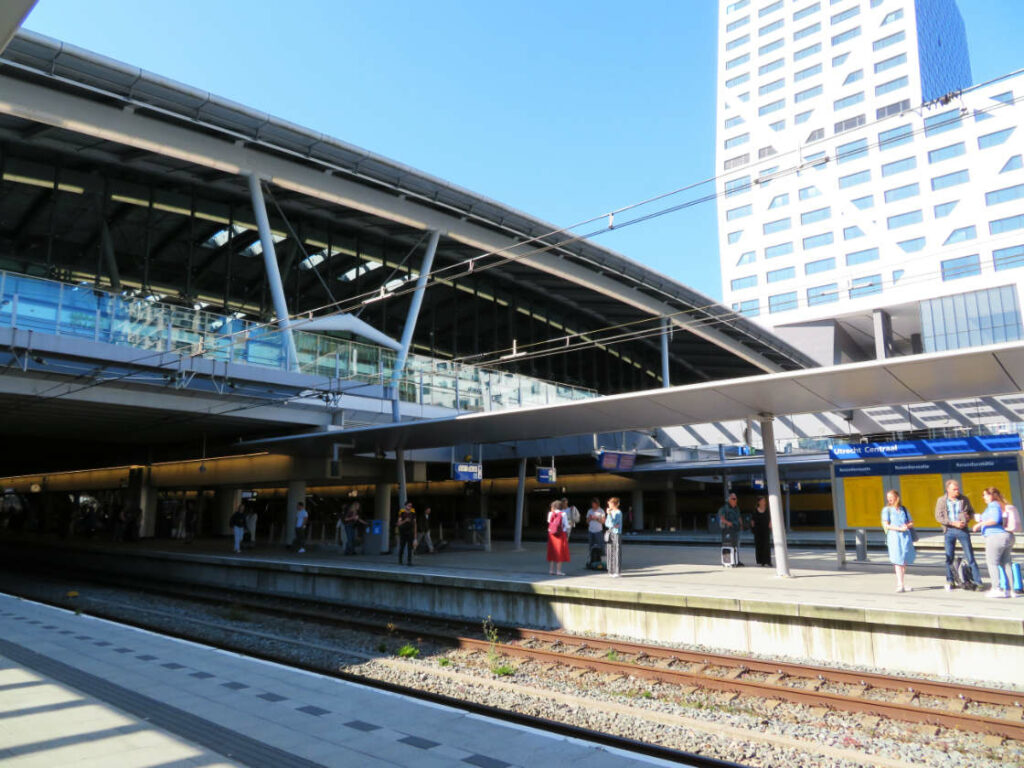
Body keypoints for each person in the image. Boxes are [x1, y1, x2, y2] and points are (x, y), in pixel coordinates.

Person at [934, 479, 982, 590]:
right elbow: (938, 517)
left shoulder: (964, 499)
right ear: (948, 490)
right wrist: (952, 523)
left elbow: (971, 511)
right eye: (954, 489)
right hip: (949, 530)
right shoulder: (941, 500)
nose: (957, 491)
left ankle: (978, 581)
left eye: (957, 489)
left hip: (963, 530)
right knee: (949, 557)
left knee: (970, 556)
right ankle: (950, 580)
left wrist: (968, 518)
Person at [973, 487, 1015, 598]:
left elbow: (995, 519)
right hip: (1006, 536)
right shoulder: (1001, 504)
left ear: (992, 495)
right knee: (1006, 563)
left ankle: (997, 588)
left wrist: (979, 524)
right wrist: (981, 518)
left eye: (985, 495)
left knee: (992, 563)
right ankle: (1011, 590)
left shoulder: (993, 505)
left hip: (995, 537)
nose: (984, 497)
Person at [881, 489, 916, 593]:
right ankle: (900, 584)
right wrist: (899, 528)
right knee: (897, 560)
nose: (889, 500)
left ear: (897, 497)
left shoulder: (903, 509)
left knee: (904, 560)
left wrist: (906, 526)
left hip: (905, 537)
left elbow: (911, 522)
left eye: (891, 497)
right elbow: (886, 525)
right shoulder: (886, 510)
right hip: (894, 537)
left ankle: (902, 583)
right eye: (888, 498)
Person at [718, 492, 745, 566]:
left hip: (737, 529)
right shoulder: (724, 508)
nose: (735, 500)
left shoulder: (737, 508)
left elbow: (739, 517)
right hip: (728, 530)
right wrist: (728, 523)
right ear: (729, 500)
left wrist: (741, 524)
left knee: (737, 545)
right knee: (729, 545)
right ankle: (729, 560)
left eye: (736, 499)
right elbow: (722, 518)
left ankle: (736, 560)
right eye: (734, 499)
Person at [546, 500, 569, 575]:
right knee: (560, 552)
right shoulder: (563, 514)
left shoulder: (550, 513)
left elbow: (549, 522)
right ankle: (558, 571)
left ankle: (551, 570)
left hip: (551, 534)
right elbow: (566, 525)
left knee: (552, 551)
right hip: (560, 535)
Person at [750, 495, 772, 567]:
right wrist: (753, 529)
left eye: (764, 501)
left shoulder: (767, 509)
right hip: (758, 530)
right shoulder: (755, 510)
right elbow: (752, 521)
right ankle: (762, 561)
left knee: (766, 545)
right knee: (760, 545)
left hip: (766, 529)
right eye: (763, 501)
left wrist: (770, 524)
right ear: (759, 502)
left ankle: (768, 561)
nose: (764, 502)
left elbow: (771, 518)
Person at [605, 496, 623, 577]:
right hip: (610, 532)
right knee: (610, 551)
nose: (608, 504)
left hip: (616, 533)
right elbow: (607, 523)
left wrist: (609, 515)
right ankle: (611, 570)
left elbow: (612, 523)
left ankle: (617, 571)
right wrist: (609, 516)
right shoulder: (611, 512)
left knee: (616, 552)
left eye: (609, 503)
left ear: (613, 504)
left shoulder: (618, 513)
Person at [585, 497, 605, 567]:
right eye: (592, 504)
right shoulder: (589, 511)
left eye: (594, 504)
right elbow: (587, 521)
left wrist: (596, 518)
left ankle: (599, 559)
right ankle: (592, 559)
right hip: (591, 530)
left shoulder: (601, 511)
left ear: (597, 504)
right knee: (591, 545)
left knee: (600, 545)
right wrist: (590, 518)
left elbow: (603, 521)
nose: (593, 505)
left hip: (598, 531)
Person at [396, 501, 416, 566]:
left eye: (411, 506)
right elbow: (398, 524)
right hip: (403, 532)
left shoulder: (413, 513)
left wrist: (415, 536)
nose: (410, 507)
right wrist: (405, 520)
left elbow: (415, 524)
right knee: (402, 546)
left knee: (410, 548)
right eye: (408, 506)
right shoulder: (401, 513)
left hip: (410, 532)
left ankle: (409, 561)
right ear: (405, 506)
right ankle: (400, 560)